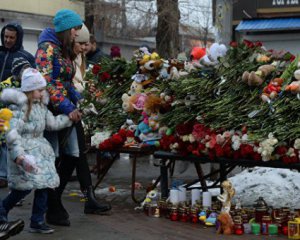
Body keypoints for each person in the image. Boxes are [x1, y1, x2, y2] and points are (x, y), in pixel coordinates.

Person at [35, 9, 111, 227]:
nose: (78, 34)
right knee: (54, 159)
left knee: (73, 155)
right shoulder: (47, 50)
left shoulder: (63, 49)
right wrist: (69, 106)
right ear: (68, 29)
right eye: (76, 29)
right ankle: (49, 208)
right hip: (51, 111)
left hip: (66, 110)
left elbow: (67, 82)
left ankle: (54, 201)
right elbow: (48, 82)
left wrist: (82, 100)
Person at [0, 68, 73, 234]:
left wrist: (69, 118)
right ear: (30, 90)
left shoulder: (41, 107)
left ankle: (37, 220)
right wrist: (18, 156)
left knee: (44, 185)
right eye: (39, 90)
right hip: (25, 153)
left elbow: (52, 123)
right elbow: (12, 134)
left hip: (41, 152)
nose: (43, 93)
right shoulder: (18, 109)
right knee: (22, 188)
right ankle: (2, 210)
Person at [0, 23, 36, 188]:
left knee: (9, 140)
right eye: (5, 36)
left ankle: (7, 176)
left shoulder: (26, 57)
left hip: (14, 106)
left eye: (11, 37)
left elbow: (32, 83)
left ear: (18, 38)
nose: (7, 40)